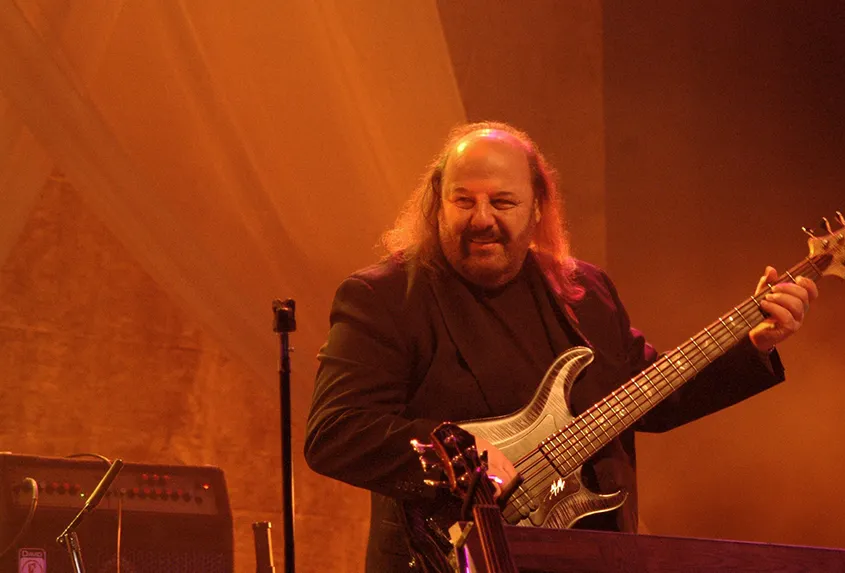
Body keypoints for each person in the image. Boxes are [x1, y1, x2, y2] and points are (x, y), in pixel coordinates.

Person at [304, 121, 818, 572]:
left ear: (537, 207)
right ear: (438, 202)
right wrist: (454, 449)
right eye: (464, 200)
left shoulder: (584, 292)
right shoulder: (385, 296)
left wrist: (754, 345)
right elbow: (336, 432)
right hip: (444, 560)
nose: (481, 218)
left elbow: (650, 396)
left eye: (502, 201)